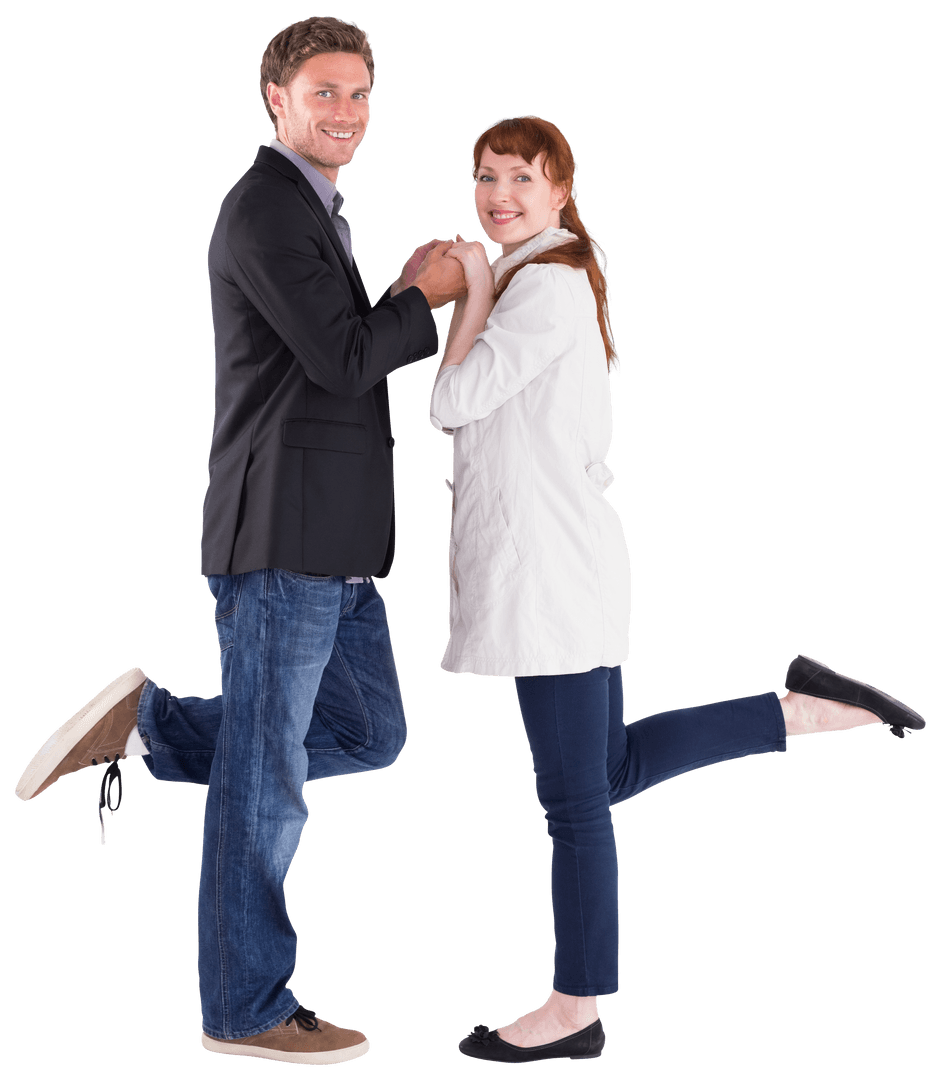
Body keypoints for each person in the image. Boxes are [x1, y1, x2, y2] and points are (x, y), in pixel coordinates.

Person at [429, 115, 927, 1065]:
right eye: (486, 177)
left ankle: (574, 1008)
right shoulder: (545, 278)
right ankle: (805, 708)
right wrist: (487, 285)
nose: (499, 195)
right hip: (558, 572)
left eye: (521, 178)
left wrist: (474, 286)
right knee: (606, 772)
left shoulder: (543, 286)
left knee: (575, 801)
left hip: (550, 580)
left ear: (559, 191)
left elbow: (451, 402)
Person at [14, 16, 464, 1068]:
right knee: (264, 785)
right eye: (324, 92)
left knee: (369, 733)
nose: (346, 111)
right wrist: (422, 300)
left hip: (334, 543)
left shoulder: (311, 209)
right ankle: (244, 1007)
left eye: (359, 93)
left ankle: (150, 727)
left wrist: (396, 300)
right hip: (283, 538)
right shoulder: (264, 207)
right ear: (276, 98)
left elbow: (322, 362)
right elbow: (342, 360)